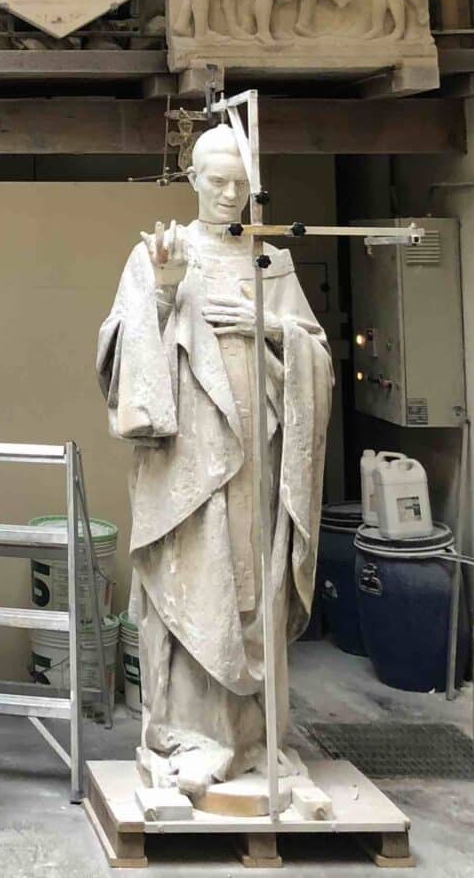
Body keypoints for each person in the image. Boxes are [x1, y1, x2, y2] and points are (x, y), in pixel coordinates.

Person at [96, 125, 332, 800]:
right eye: (218, 181)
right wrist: (165, 292)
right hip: (184, 459)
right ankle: (184, 734)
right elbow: (119, 352)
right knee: (188, 584)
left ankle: (250, 738)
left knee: (248, 588)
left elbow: (316, 359)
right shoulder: (160, 252)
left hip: (255, 456)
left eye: (240, 184)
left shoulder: (271, 262)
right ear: (192, 178)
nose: (230, 195)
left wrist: (271, 328)